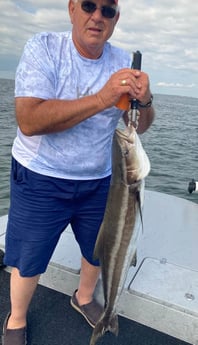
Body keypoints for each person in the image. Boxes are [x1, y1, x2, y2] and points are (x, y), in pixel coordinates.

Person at [2, 0, 155, 344]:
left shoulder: (123, 63)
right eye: (89, 5)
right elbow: (29, 120)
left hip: (100, 179)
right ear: (72, 9)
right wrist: (103, 97)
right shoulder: (43, 48)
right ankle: (16, 319)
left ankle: (84, 297)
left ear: (116, 18)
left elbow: (140, 127)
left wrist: (145, 101)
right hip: (41, 176)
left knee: (95, 248)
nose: (97, 16)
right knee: (30, 255)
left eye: (108, 10)